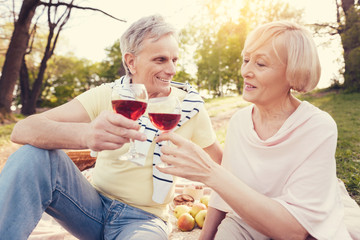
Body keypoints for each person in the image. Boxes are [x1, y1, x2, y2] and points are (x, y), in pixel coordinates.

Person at [0, 15, 222, 239]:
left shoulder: (188, 106)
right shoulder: (110, 95)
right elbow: (23, 130)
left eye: (175, 59)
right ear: (131, 62)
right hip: (89, 207)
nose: (172, 69)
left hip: (145, 220)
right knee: (32, 156)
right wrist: (86, 135)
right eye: (161, 59)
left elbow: (222, 167)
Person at [156, 21, 355, 239]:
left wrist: (209, 172)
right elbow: (223, 194)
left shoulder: (318, 127)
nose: (245, 72)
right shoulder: (239, 121)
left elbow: (294, 231)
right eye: (246, 60)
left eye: (260, 64)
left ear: (293, 72)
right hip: (246, 222)